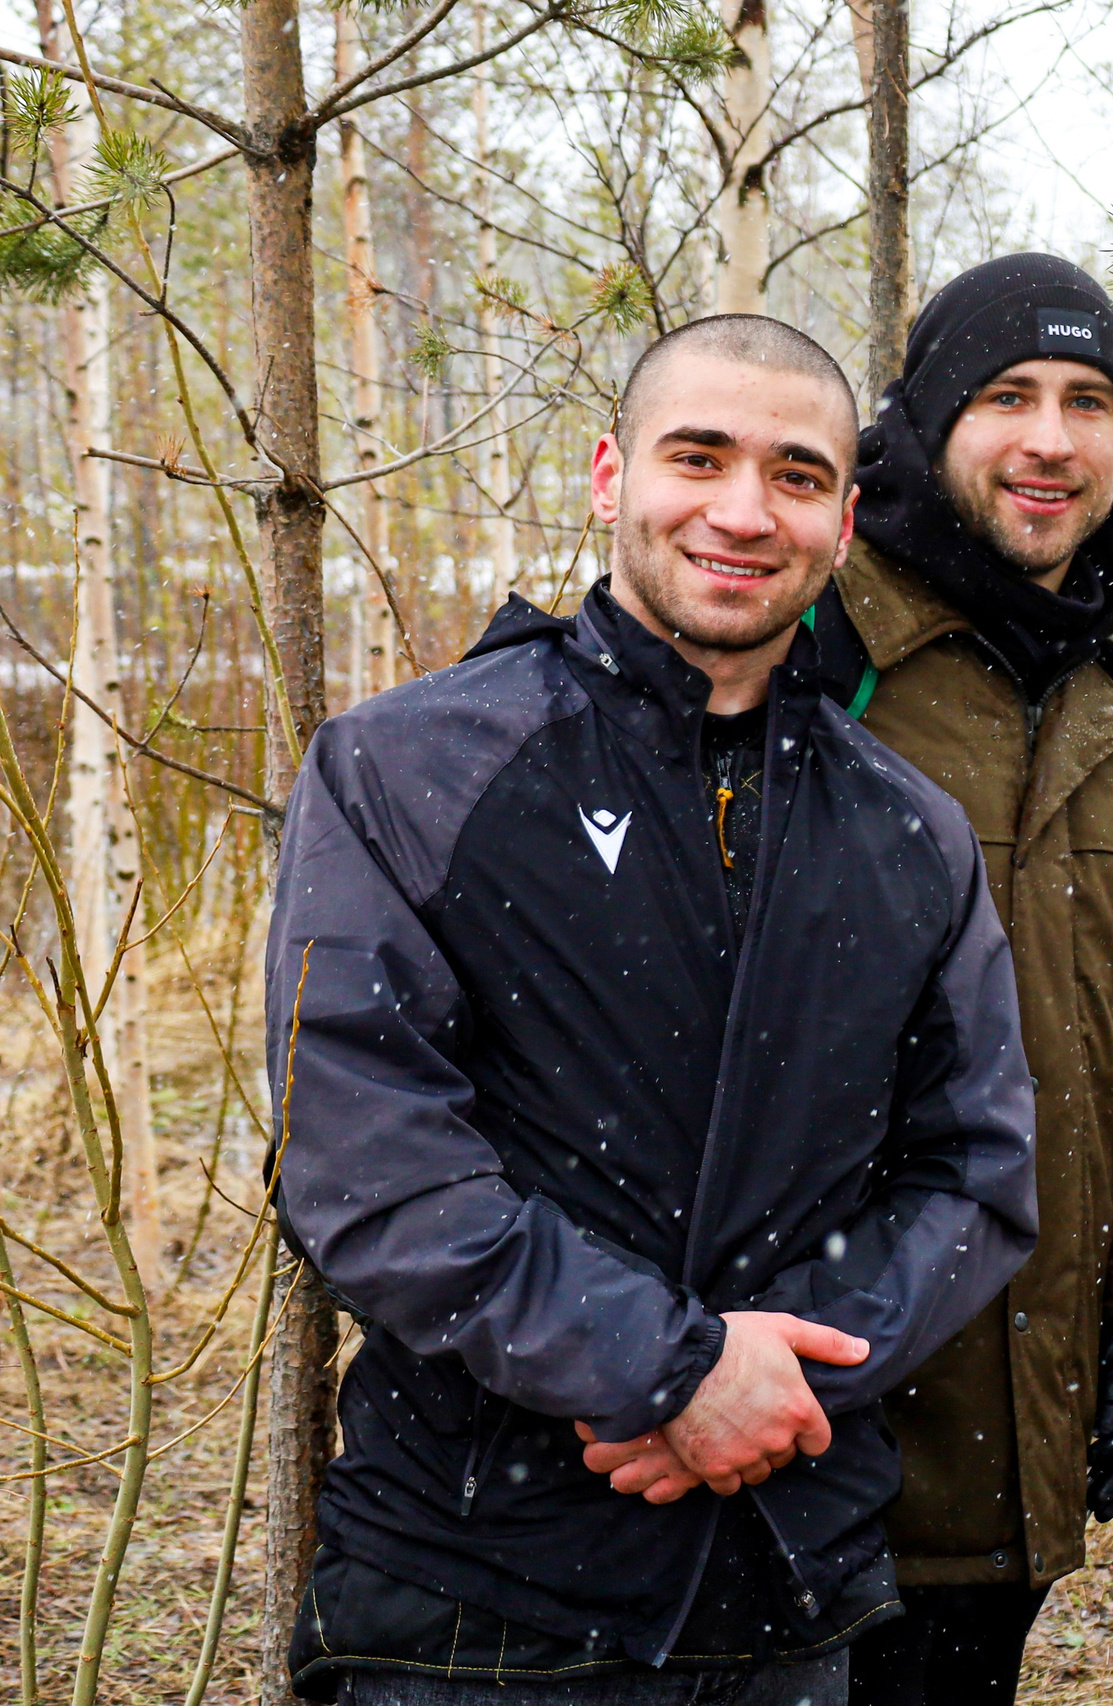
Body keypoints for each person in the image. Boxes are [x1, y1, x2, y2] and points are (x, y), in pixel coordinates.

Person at [268, 314, 1041, 1704]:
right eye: (701, 456)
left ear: (846, 517)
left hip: (785, 1587)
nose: (744, 510)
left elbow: (976, 1174)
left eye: (796, 475)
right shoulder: (412, 769)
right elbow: (364, 1165)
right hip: (473, 1596)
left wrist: (772, 1375)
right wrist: (671, 1368)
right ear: (610, 475)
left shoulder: (908, 829)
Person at [827, 253, 1113, 1705]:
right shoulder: (818, 653)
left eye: (1092, 400)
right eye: (1009, 395)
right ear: (924, 421)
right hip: (824, 1442)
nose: (1053, 437)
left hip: (1022, 1450)